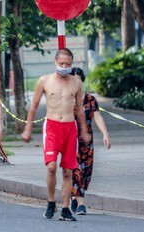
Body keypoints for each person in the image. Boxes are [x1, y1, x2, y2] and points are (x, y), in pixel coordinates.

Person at [21, 48, 91, 221]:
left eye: (68, 64)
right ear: (55, 62)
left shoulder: (76, 82)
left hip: (69, 128)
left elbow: (80, 109)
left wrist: (84, 130)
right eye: (61, 63)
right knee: (51, 167)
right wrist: (28, 128)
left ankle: (65, 208)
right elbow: (34, 106)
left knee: (68, 171)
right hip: (52, 127)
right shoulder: (45, 81)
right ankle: (51, 201)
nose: (64, 67)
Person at [70, 68, 112, 215]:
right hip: (71, 141)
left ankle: (75, 196)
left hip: (87, 141)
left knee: (86, 172)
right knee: (76, 170)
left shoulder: (90, 100)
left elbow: (98, 117)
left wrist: (105, 134)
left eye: (78, 80)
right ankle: (81, 203)